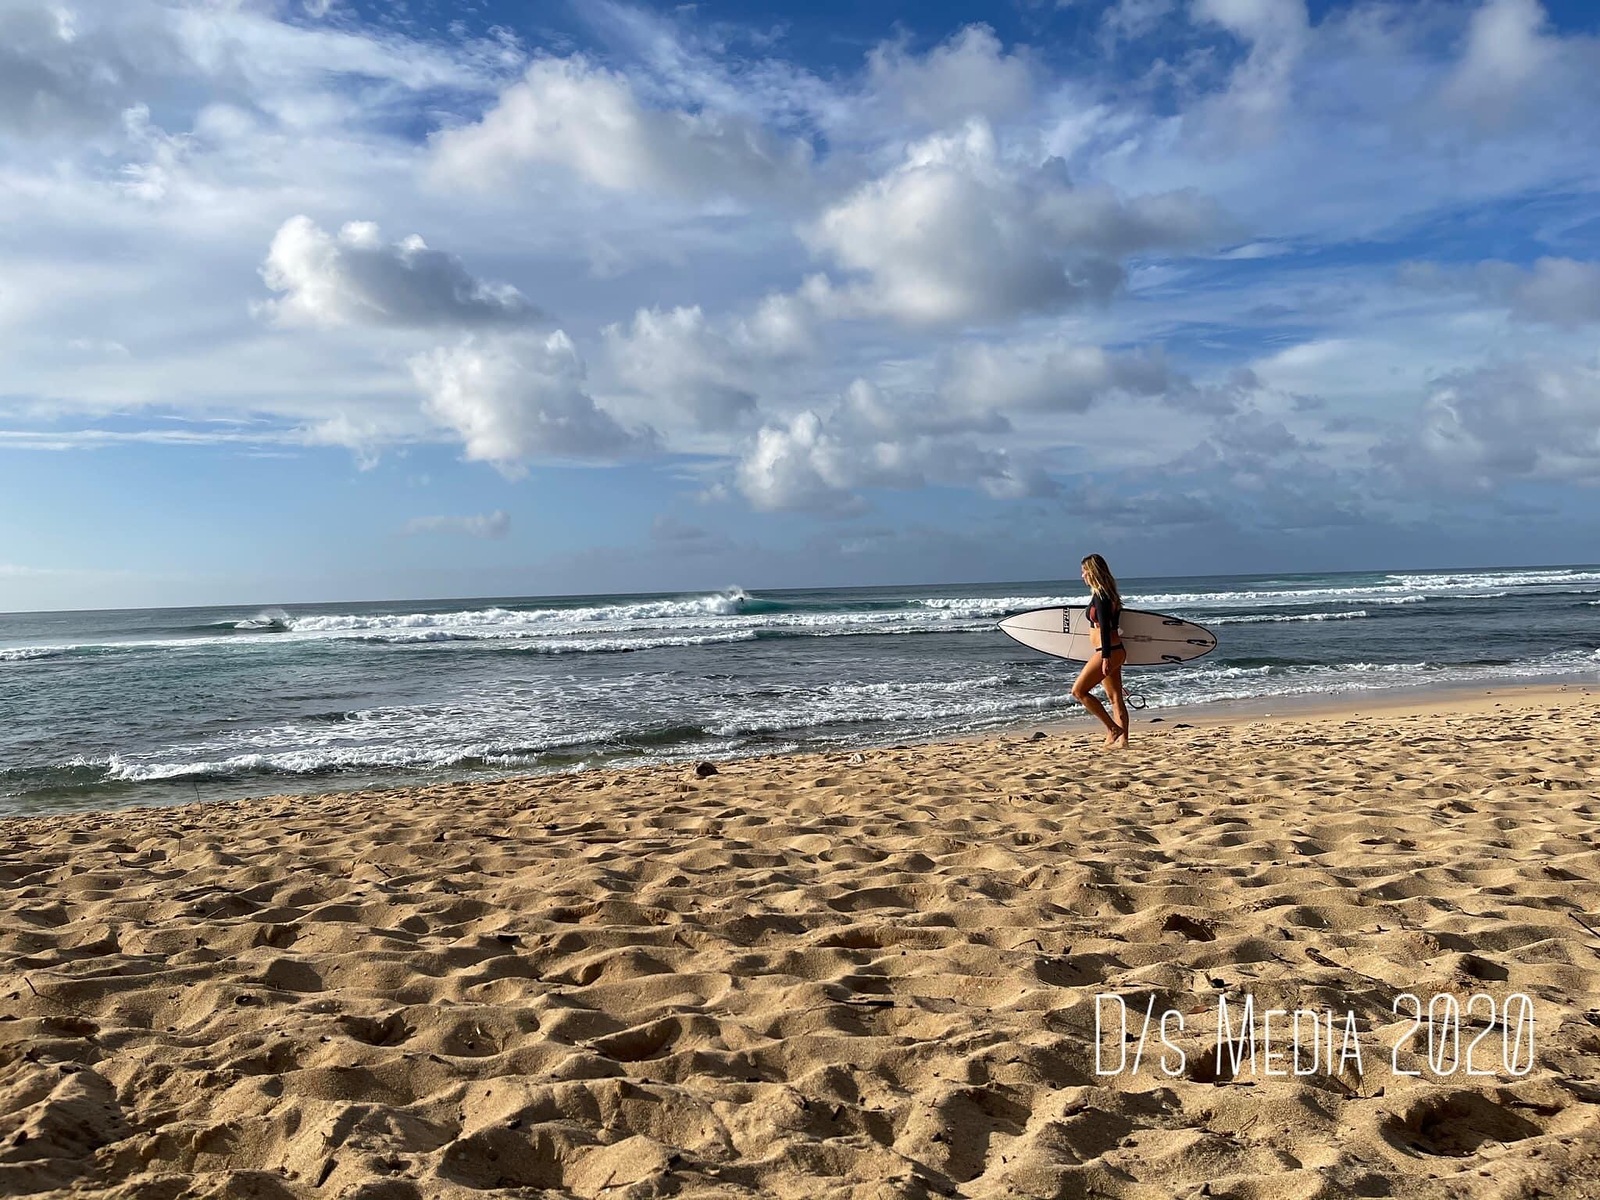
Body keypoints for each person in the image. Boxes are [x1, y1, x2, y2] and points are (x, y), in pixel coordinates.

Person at [1072, 553, 1129, 748]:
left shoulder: (1101, 596)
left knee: (1079, 691)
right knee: (1115, 698)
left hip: (1108, 651)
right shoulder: (1110, 594)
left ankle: (1113, 729)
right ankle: (1123, 743)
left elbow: (1104, 627)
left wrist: (1105, 658)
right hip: (1116, 650)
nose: (1082, 576)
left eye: (1084, 571)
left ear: (1093, 572)